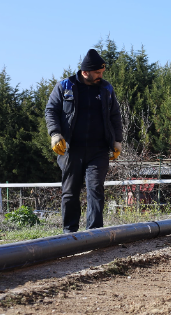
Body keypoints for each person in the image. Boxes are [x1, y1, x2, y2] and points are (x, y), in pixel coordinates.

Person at [45, 49, 123, 233]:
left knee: (96, 189)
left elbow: (115, 116)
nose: (100, 76)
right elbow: (51, 111)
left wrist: (117, 141)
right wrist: (55, 134)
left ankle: (94, 233)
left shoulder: (106, 89)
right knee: (70, 193)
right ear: (85, 72)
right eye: (97, 72)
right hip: (71, 150)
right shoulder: (64, 86)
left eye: (102, 72)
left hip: (99, 150)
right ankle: (69, 233)